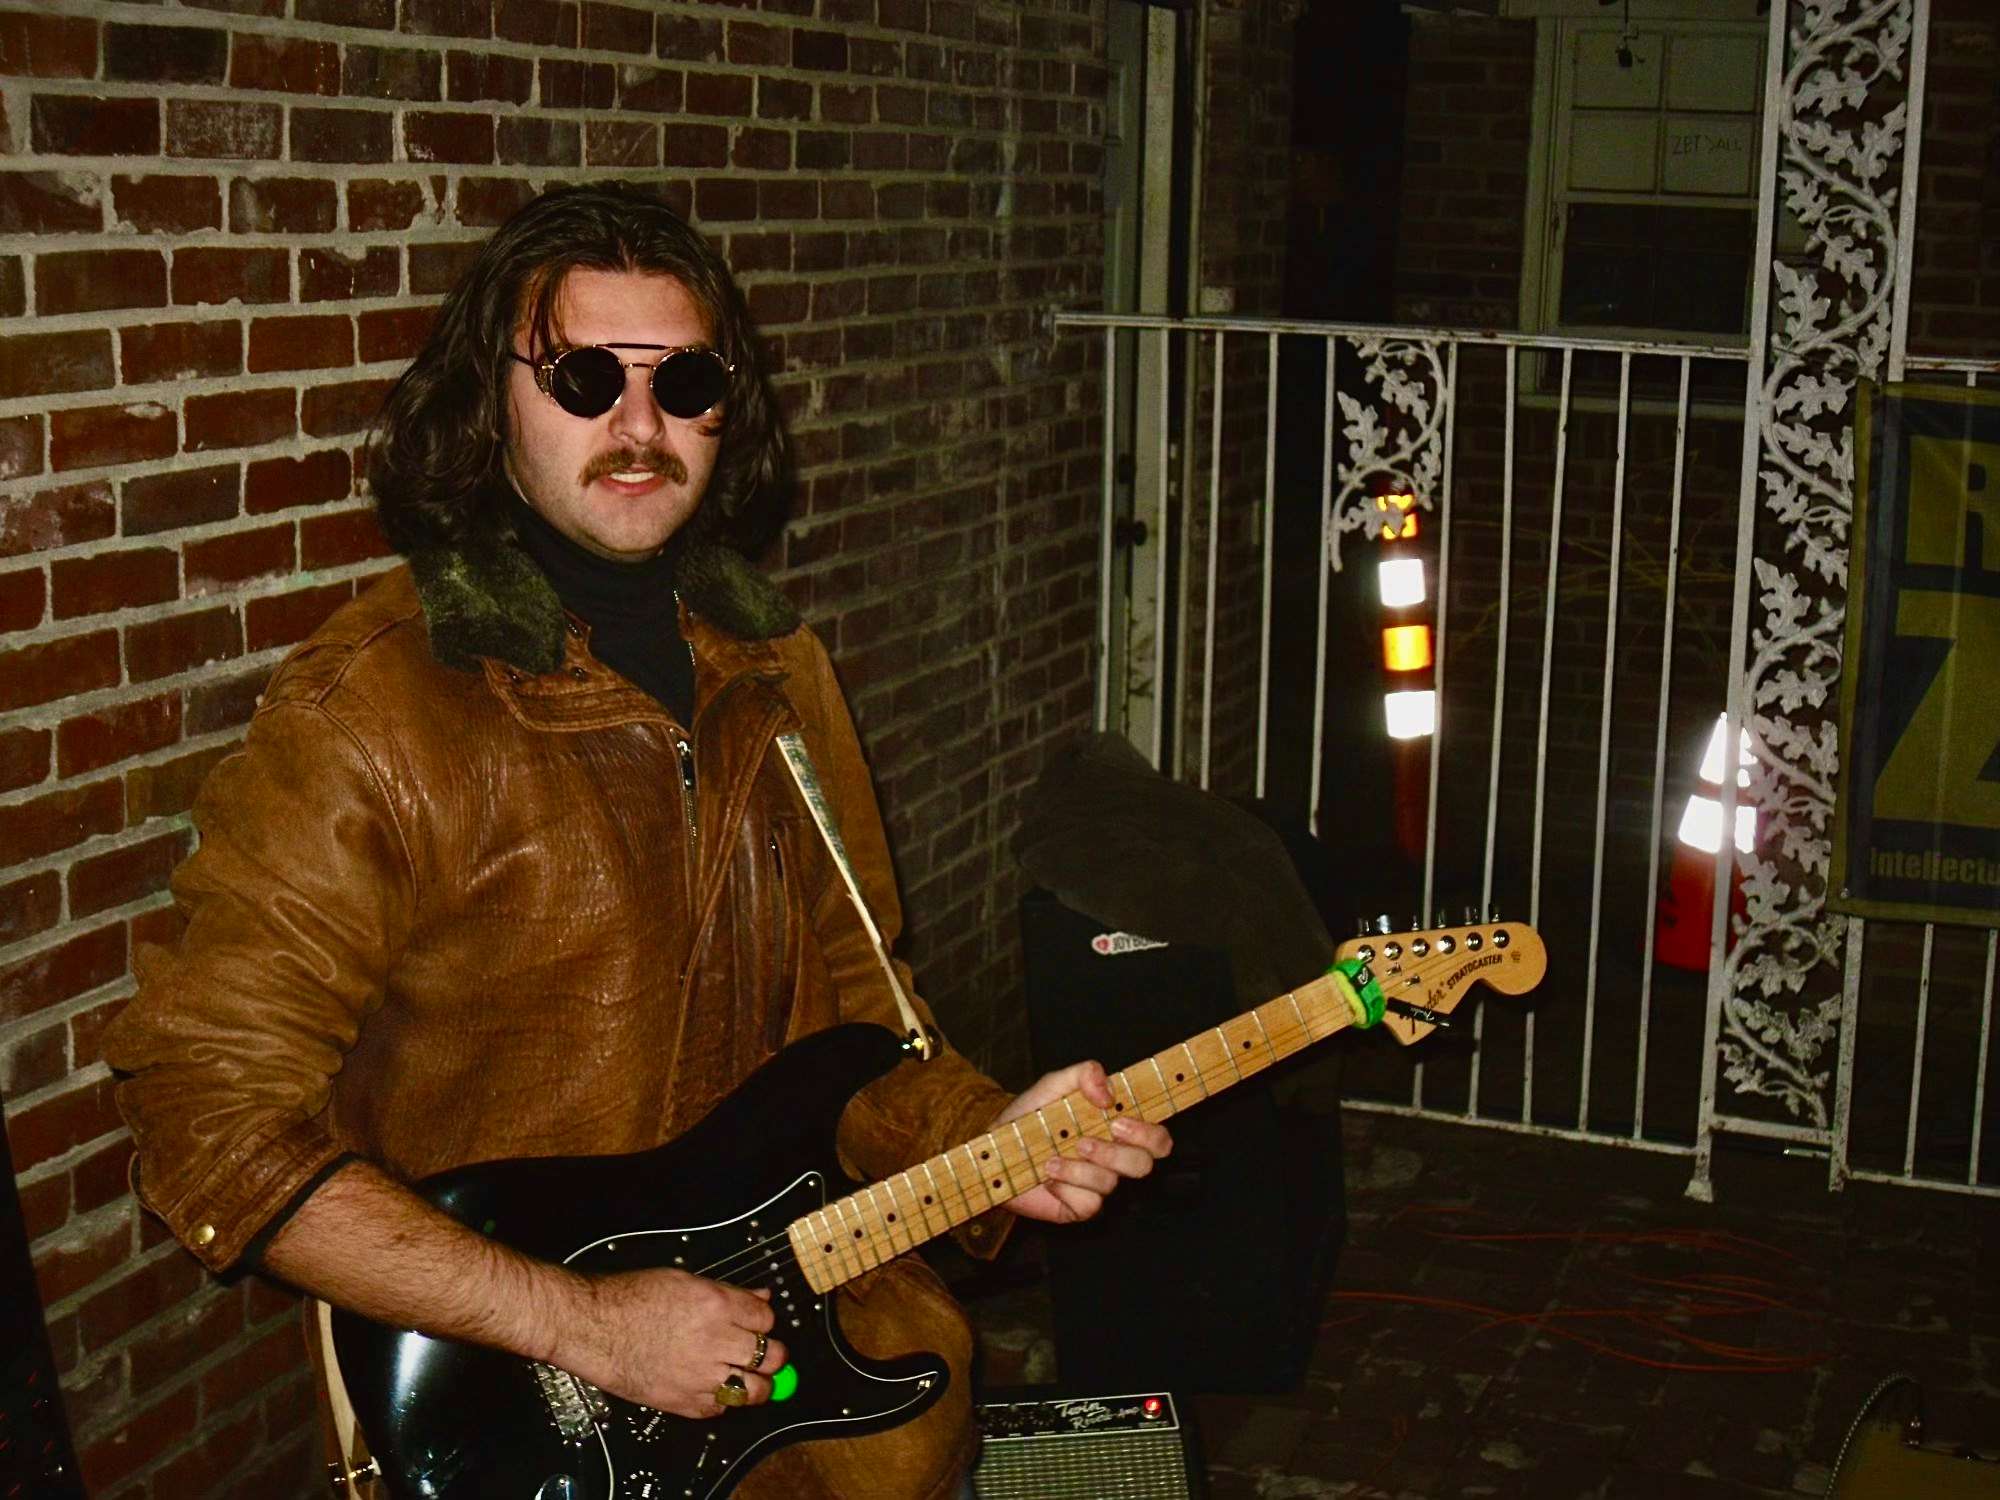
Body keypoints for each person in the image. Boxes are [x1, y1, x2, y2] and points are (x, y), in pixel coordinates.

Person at [102, 183, 1171, 1500]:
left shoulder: (777, 669)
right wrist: (587, 1325)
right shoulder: (374, 710)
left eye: (689, 381)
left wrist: (994, 1134)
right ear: (485, 401)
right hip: (531, 1416)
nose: (640, 425)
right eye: (586, 376)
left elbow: (859, 1018)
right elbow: (205, 1121)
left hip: (816, 1389)